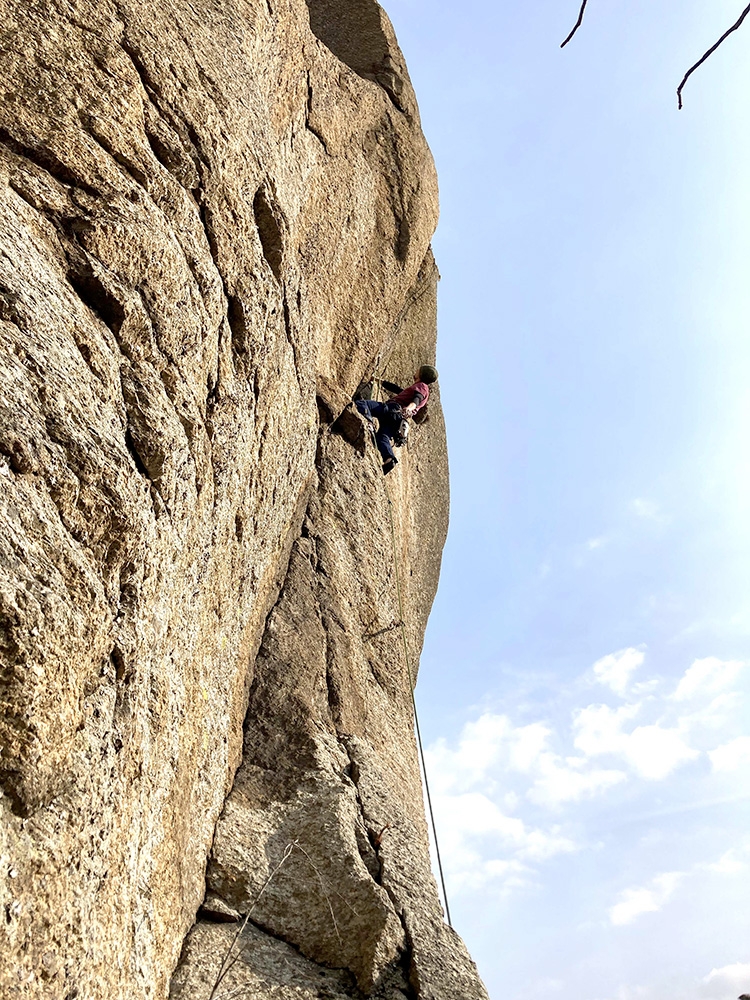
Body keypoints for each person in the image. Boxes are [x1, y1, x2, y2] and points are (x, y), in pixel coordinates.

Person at [355, 364, 438, 475]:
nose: (416, 370)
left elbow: (416, 399)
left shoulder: (422, 387)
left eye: (419, 369)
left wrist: (409, 408)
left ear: (422, 374)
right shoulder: (419, 388)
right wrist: (379, 381)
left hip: (394, 410)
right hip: (399, 420)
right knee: (382, 437)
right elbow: (398, 390)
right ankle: (389, 459)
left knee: (363, 404)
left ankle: (368, 423)